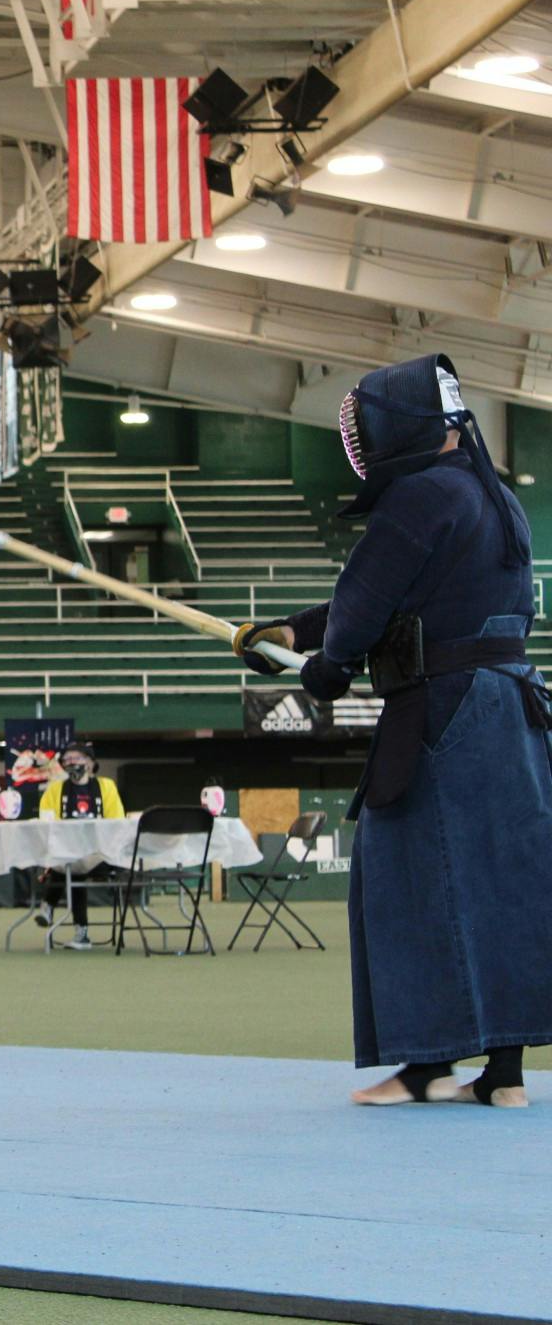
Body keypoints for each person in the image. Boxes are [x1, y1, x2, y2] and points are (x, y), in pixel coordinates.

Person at [236, 353, 552, 1108]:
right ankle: (503, 1075)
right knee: (501, 883)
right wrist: (291, 630)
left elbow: (365, 602)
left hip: (443, 715)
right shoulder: (490, 493)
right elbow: (390, 597)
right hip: (513, 711)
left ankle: (423, 1065)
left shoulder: (417, 497)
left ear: (397, 427)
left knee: (402, 881)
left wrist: (325, 667)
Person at [30, 741, 125, 951]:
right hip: (66, 853)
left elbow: (117, 821)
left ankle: (48, 906)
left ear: (90, 763)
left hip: (100, 853)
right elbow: (47, 822)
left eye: (77, 758)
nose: (72, 762)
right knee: (72, 864)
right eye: (68, 759)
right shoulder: (55, 790)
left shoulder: (106, 786)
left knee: (76, 866)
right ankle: (81, 935)